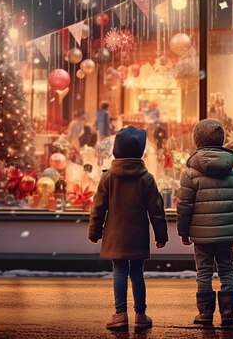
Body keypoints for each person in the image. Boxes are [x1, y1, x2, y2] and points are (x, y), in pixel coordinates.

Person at [88, 126, 168, 331]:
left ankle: (120, 314)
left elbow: (98, 207)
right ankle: (140, 315)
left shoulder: (108, 177)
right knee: (137, 273)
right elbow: (156, 209)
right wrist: (161, 234)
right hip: (138, 234)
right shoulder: (146, 178)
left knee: (119, 271)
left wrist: (95, 231)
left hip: (116, 234)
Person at [177, 118, 233, 327]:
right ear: (222, 140)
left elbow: (184, 206)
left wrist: (183, 232)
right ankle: (228, 313)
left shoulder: (190, 174)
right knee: (227, 270)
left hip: (201, 234)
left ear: (197, 141)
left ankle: (205, 314)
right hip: (228, 234)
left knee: (204, 272)